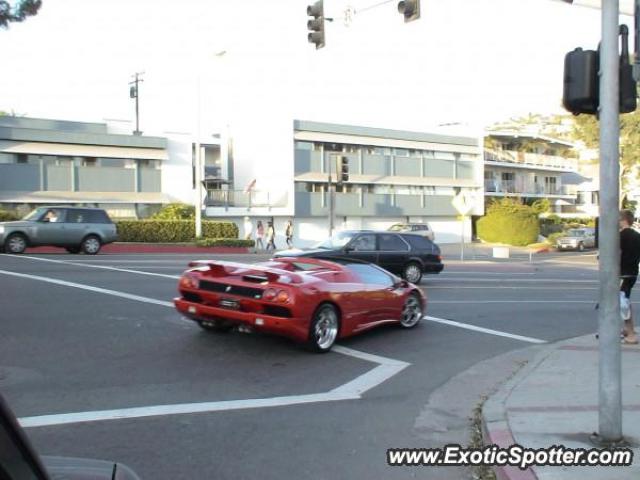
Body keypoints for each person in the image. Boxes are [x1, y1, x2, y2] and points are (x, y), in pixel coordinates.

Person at [620, 209, 640, 344]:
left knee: (622, 303)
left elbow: (615, 255)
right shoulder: (637, 235)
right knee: (625, 300)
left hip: (622, 274)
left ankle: (631, 334)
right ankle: (627, 329)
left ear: (623, 219)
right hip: (632, 272)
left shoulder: (621, 236)